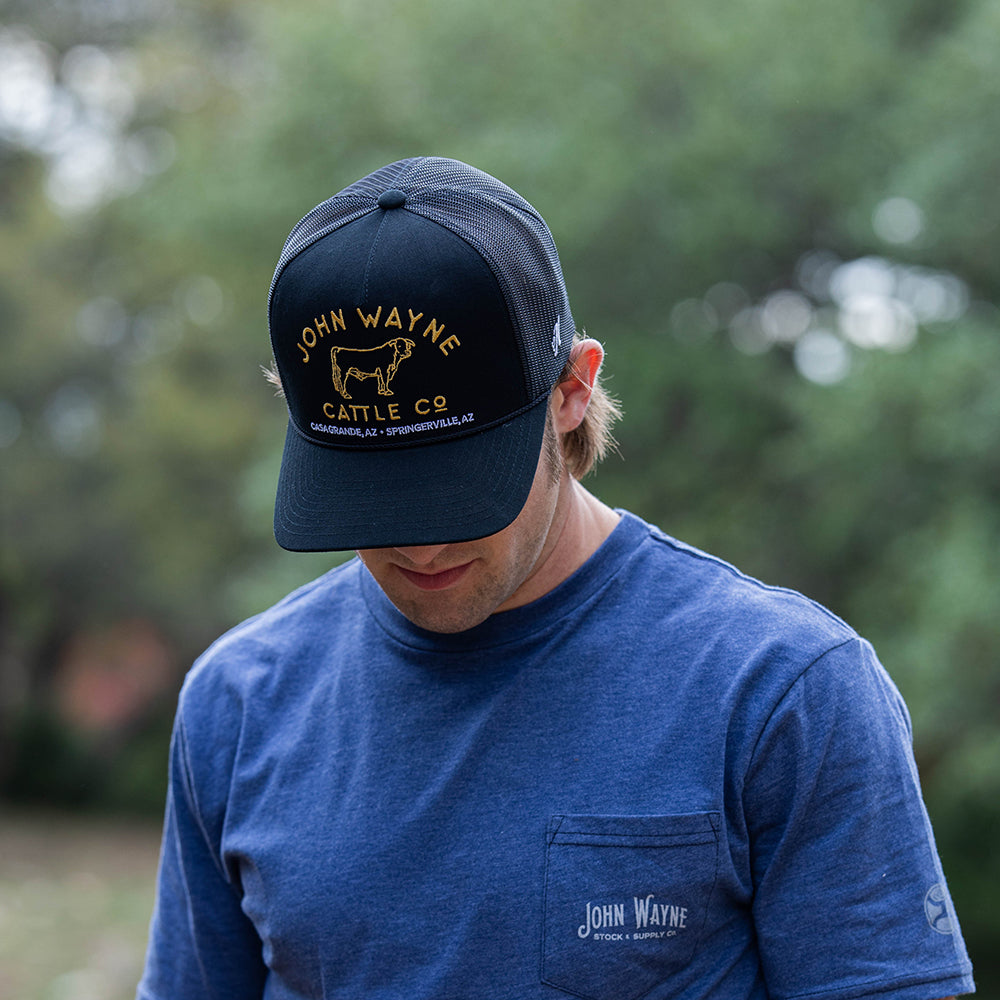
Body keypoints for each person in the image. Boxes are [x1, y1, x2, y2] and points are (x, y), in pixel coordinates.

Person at [137, 156, 974, 1000]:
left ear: (573, 390)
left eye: (460, 491)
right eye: (376, 500)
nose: (420, 549)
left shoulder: (784, 690)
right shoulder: (238, 702)